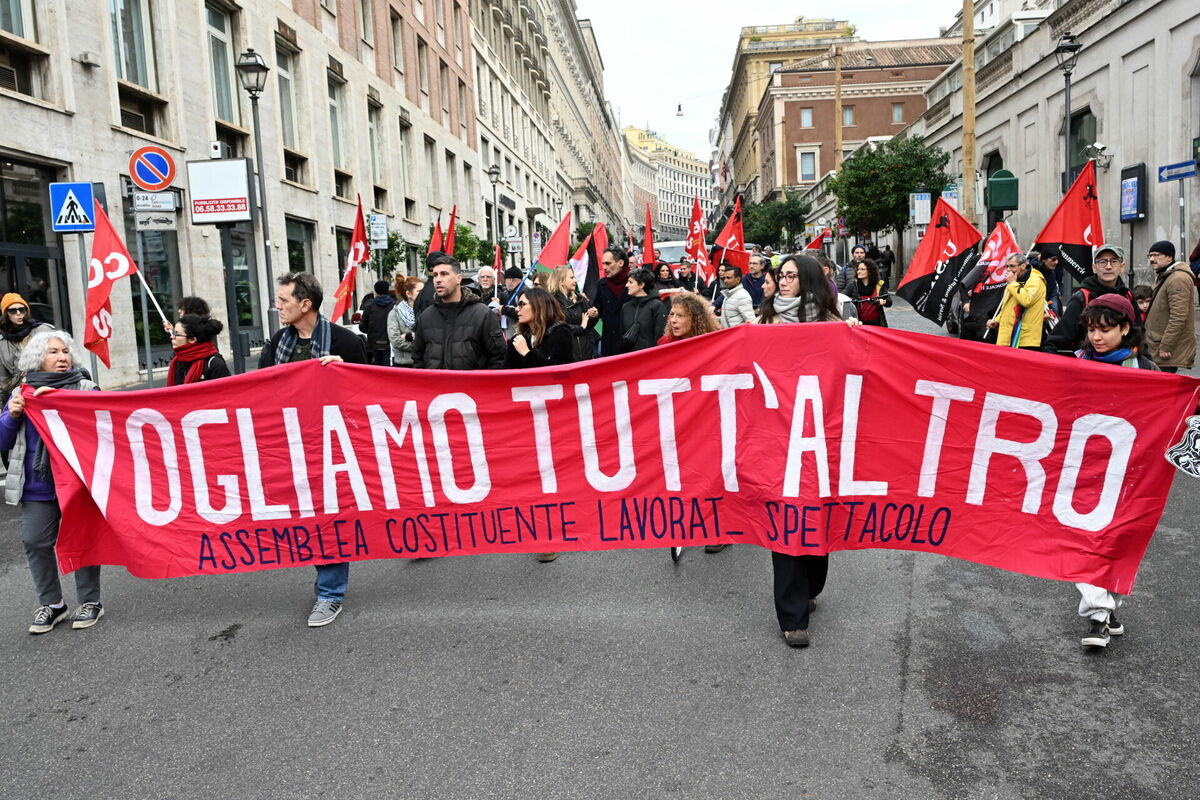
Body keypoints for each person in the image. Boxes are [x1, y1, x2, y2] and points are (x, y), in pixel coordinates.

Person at [260, 273, 368, 627]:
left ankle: (330, 592)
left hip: (333, 446)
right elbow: (260, 390)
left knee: (330, 517)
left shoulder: (346, 342)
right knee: (305, 517)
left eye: (284, 301)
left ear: (305, 304)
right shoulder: (278, 342)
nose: (277, 306)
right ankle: (325, 578)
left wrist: (345, 374)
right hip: (289, 444)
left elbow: (371, 393)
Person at [755, 254, 846, 648]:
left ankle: (811, 585)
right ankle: (792, 617)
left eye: (792, 276)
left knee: (817, 520)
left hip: (821, 441)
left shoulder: (833, 326)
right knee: (785, 523)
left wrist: (856, 334)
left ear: (808, 281)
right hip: (776, 441)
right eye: (782, 275)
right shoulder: (763, 324)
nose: (784, 281)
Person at [1, 330, 102, 633]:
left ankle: (90, 601)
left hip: (76, 484)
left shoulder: (85, 388)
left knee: (81, 541)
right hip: (38, 486)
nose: (61, 357)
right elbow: (3, 442)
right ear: (37, 359)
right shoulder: (22, 393)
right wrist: (11, 416)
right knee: (34, 541)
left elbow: (105, 430)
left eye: (65, 352)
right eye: (53, 352)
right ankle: (53, 604)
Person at [1072, 294, 1157, 648]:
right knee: (1084, 540)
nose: (1097, 337)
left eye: (1106, 329)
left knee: (1115, 542)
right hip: (1081, 469)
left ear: (1126, 329)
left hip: (1129, 474)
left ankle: (1109, 608)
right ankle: (1098, 618)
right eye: (1092, 329)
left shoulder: (1146, 372)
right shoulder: (1074, 364)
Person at [412, 255, 506, 370]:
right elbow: (417, 358)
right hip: (436, 386)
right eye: (435, 275)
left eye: (444, 274)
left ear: (459, 278)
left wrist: (483, 385)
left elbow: (498, 358)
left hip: (472, 386)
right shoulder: (426, 317)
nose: (438, 279)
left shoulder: (482, 314)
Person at [1043, 244, 1135, 354]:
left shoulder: (1128, 295)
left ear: (1122, 266)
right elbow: (1057, 339)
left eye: (1114, 261)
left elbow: (1137, 331)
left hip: (1123, 365)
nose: (1108, 266)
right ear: (1094, 268)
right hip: (1088, 365)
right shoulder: (1082, 298)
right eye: (1103, 262)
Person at [1144, 240, 1197, 373]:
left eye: (1156, 255)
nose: (1151, 259)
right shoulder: (1167, 276)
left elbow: (1179, 316)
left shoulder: (1178, 278)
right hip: (1157, 344)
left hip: (1164, 349)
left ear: (1169, 257)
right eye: (1149, 256)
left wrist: (1166, 346)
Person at [987, 253, 1046, 350]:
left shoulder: (1035, 280)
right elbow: (1006, 307)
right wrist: (997, 321)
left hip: (1024, 339)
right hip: (1007, 338)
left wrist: (1013, 284)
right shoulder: (1013, 281)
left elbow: (1026, 300)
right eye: (1007, 266)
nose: (1009, 269)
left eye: (1012, 266)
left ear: (1023, 266)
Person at [0, 293, 53, 396]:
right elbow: (2, 381)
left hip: (48, 387)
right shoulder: (2, 342)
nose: (19, 313)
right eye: (13, 310)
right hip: (21, 394)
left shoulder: (43, 330)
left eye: (22, 309)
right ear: (6, 314)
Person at [588, 247, 631, 357]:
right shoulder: (602, 284)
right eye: (603, 264)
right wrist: (593, 314)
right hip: (609, 345)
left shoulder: (635, 282)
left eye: (608, 263)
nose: (604, 268)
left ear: (620, 263)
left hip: (630, 344)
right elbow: (596, 310)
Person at [166, 314, 230, 384]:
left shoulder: (215, 363)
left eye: (176, 334)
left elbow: (225, 392)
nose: (172, 337)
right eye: (173, 333)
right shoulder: (178, 360)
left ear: (192, 339)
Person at [620, 268, 667, 352]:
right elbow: (622, 334)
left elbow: (660, 337)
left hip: (650, 359)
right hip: (629, 358)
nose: (626, 285)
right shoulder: (625, 307)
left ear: (641, 285)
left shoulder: (657, 306)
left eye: (630, 282)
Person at [657, 292, 721, 345]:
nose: (673, 320)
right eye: (672, 314)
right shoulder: (666, 344)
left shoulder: (711, 345)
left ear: (694, 319)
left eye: (680, 316)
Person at [388, 276, 423, 366]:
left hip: (423, 362)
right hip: (403, 364)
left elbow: (429, 336)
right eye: (419, 291)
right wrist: (418, 346)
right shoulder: (395, 313)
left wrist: (410, 336)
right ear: (408, 294)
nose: (423, 294)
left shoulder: (426, 311)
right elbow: (395, 340)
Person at [359, 279, 395, 366]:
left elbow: (362, 326)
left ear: (376, 291)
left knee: (378, 368)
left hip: (374, 343)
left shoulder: (369, 306)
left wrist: (371, 331)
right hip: (390, 343)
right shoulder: (394, 306)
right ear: (387, 290)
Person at [847, 258, 891, 327]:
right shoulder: (853, 285)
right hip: (859, 324)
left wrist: (883, 301)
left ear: (870, 271)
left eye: (862, 269)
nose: (858, 271)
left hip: (877, 324)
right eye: (858, 269)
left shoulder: (879, 284)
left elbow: (889, 302)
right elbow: (843, 297)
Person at [718, 263, 755, 327]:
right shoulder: (728, 295)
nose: (725, 281)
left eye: (728, 278)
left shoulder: (742, 296)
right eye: (724, 278)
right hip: (730, 335)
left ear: (738, 279)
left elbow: (751, 321)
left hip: (738, 336)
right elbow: (728, 318)